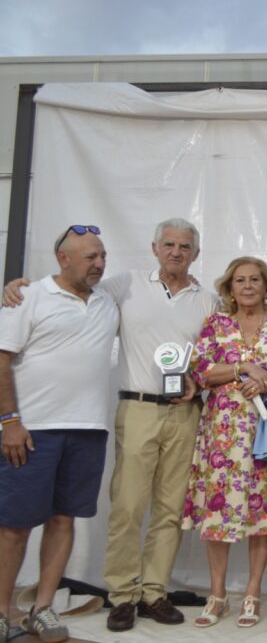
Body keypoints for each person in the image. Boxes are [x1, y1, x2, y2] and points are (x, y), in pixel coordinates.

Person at [2, 218, 220, 631]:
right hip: (136, 409)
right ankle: (122, 594)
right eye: (169, 244)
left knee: (171, 510)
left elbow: (210, 357)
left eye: (185, 246)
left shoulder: (207, 301)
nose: (176, 251)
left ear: (196, 253)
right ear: (155, 248)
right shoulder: (123, 285)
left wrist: (198, 381)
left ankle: (155, 592)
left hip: (185, 413)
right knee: (128, 507)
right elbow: (70, 284)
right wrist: (19, 287)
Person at [0, 225, 119, 643]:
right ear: (63, 258)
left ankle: (43, 608)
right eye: (90, 257)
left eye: (102, 256)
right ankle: (0, 610)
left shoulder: (107, 300)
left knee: (63, 518)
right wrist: (9, 421)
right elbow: (2, 358)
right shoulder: (28, 297)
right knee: (14, 525)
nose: (100, 263)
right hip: (33, 431)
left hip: (88, 429)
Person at [182, 256, 267, 628]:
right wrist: (243, 369)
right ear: (229, 288)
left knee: (261, 513)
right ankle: (217, 595)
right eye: (240, 280)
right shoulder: (216, 324)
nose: (248, 286)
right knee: (218, 512)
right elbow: (200, 371)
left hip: (265, 435)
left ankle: (253, 593)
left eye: (255, 280)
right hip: (222, 433)